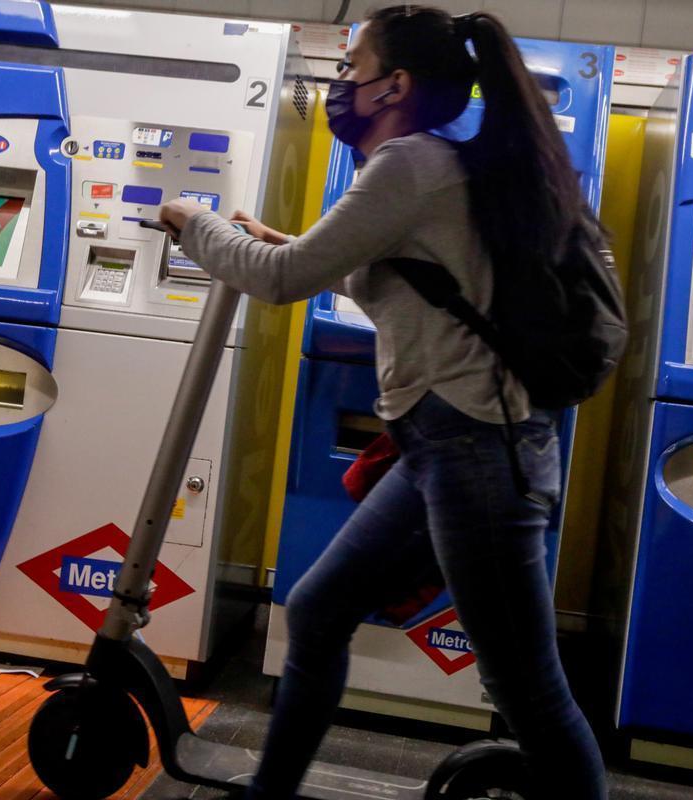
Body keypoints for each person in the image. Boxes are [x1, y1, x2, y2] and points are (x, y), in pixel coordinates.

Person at [157, 6, 607, 798]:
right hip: (447, 444)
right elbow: (404, 280)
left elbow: (281, 282)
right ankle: (273, 790)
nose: (337, 84)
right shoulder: (433, 165)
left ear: (394, 84)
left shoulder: (406, 165)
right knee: (322, 608)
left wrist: (193, 222)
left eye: (349, 67)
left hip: (478, 453)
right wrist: (275, 241)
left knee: (526, 690)